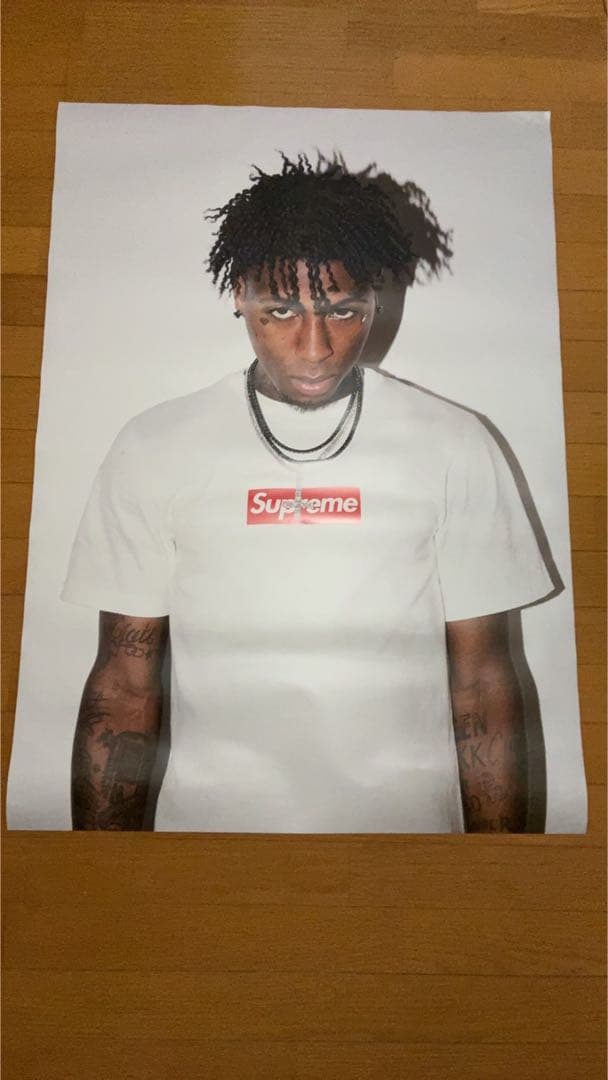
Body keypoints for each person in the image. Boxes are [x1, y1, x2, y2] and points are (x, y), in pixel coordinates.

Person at [63, 153, 553, 833]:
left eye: (343, 310)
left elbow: (484, 684)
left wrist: (497, 873)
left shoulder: (454, 444)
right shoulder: (155, 446)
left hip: (406, 840)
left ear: (375, 299)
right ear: (238, 295)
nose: (316, 346)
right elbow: (123, 687)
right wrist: (97, 874)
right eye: (280, 310)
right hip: (211, 838)